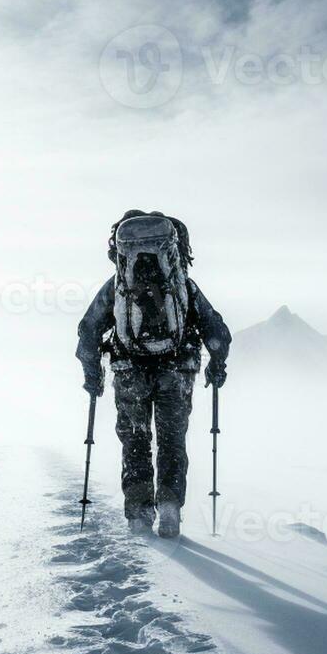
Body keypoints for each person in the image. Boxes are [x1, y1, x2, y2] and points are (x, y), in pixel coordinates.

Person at [76, 210, 231, 538]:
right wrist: (217, 366)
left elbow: (89, 331)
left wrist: (94, 375)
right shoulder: (182, 284)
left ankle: (139, 513)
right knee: (172, 440)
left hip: (129, 370)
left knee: (135, 439)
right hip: (177, 370)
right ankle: (171, 506)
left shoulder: (117, 286)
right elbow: (217, 330)